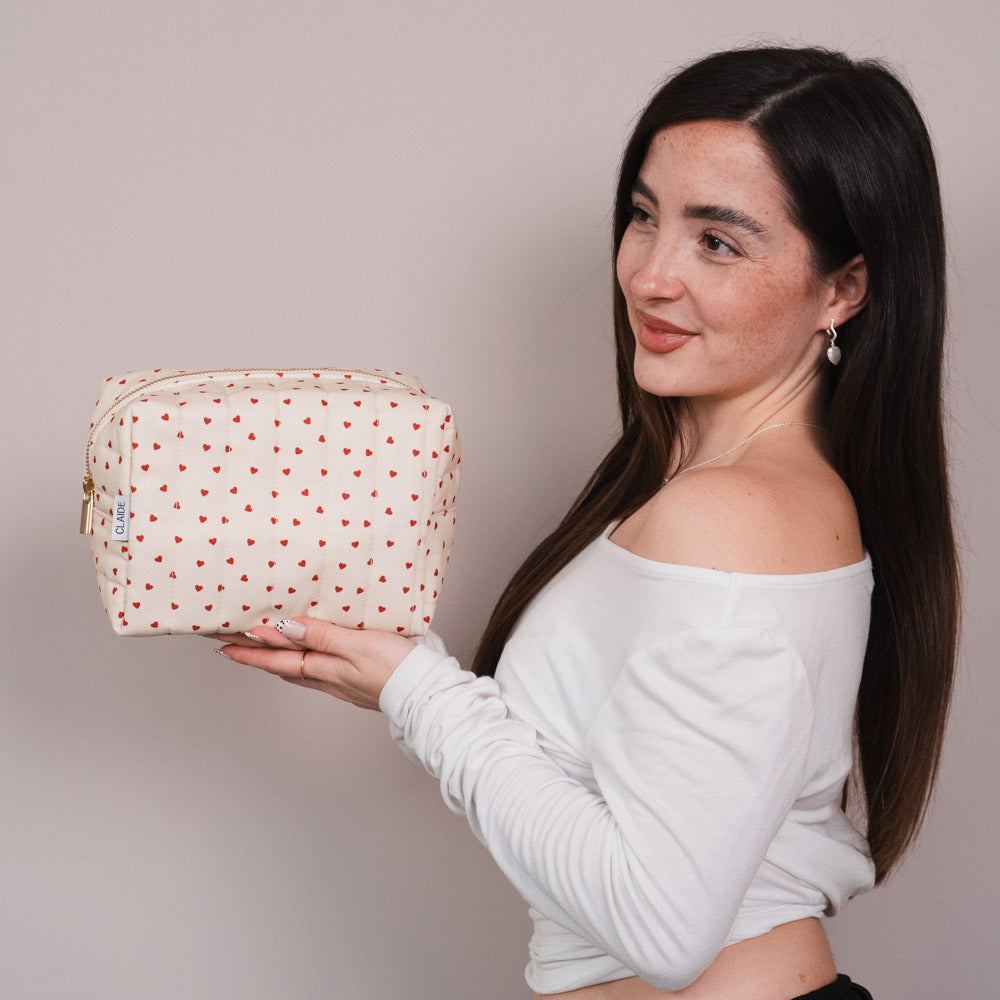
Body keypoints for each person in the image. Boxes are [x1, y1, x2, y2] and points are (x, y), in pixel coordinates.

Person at [215, 46, 959, 1000]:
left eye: (717, 241)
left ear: (842, 289)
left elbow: (659, 930)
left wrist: (415, 691)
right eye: (645, 217)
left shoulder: (735, 515)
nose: (650, 276)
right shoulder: (725, 493)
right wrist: (390, 678)